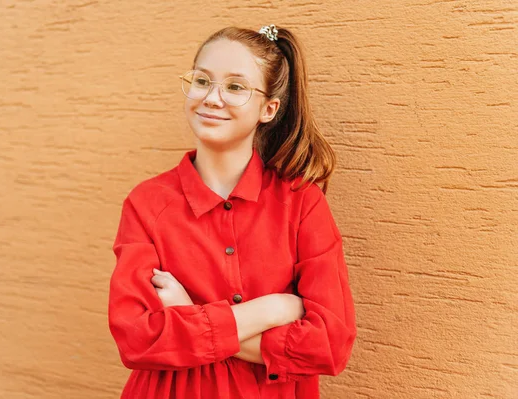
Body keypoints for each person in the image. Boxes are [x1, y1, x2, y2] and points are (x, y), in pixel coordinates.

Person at [108, 24, 357, 399]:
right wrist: (270, 310)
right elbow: (137, 337)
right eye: (202, 80)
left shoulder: (302, 203)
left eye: (236, 87)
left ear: (268, 108)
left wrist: (190, 314)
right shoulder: (147, 203)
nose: (211, 98)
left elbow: (330, 345)